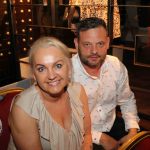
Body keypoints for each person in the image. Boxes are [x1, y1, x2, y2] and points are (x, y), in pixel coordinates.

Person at [8, 37, 92, 150]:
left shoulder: (78, 91)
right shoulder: (23, 110)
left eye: (58, 66)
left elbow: (87, 136)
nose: (51, 76)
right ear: (34, 74)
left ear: (69, 68)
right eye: (41, 69)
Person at [72, 17, 140, 150]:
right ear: (76, 43)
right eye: (87, 44)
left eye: (100, 44)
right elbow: (64, 121)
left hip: (111, 123)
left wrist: (132, 131)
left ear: (108, 42)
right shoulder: (66, 73)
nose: (94, 51)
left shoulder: (115, 65)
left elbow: (126, 100)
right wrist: (101, 138)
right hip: (80, 133)